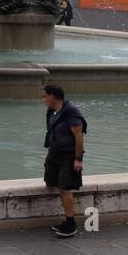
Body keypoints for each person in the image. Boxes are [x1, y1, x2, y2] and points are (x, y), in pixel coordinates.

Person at [42, 84, 86, 237]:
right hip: (54, 154)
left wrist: (78, 159)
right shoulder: (53, 111)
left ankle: (71, 223)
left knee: (65, 188)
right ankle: (67, 221)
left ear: (52, 97)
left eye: (45, 96)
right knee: (51, 182)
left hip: (67, 156)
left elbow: (79, 137)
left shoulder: (71, 112)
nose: (43, 100)